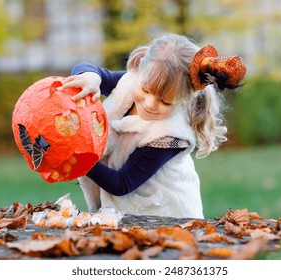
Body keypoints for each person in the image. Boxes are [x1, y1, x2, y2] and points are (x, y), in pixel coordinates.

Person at [60, 33, 246, 218]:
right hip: (127, 216)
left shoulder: (170, 136)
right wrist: (92, 78)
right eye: (146, 90)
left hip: (167, 219)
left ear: (184, 101)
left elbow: (122, 183)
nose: (149, 103)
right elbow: (85, 68)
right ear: (141, 70)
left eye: (165, 102)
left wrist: (80, 159)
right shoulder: (131, 82)